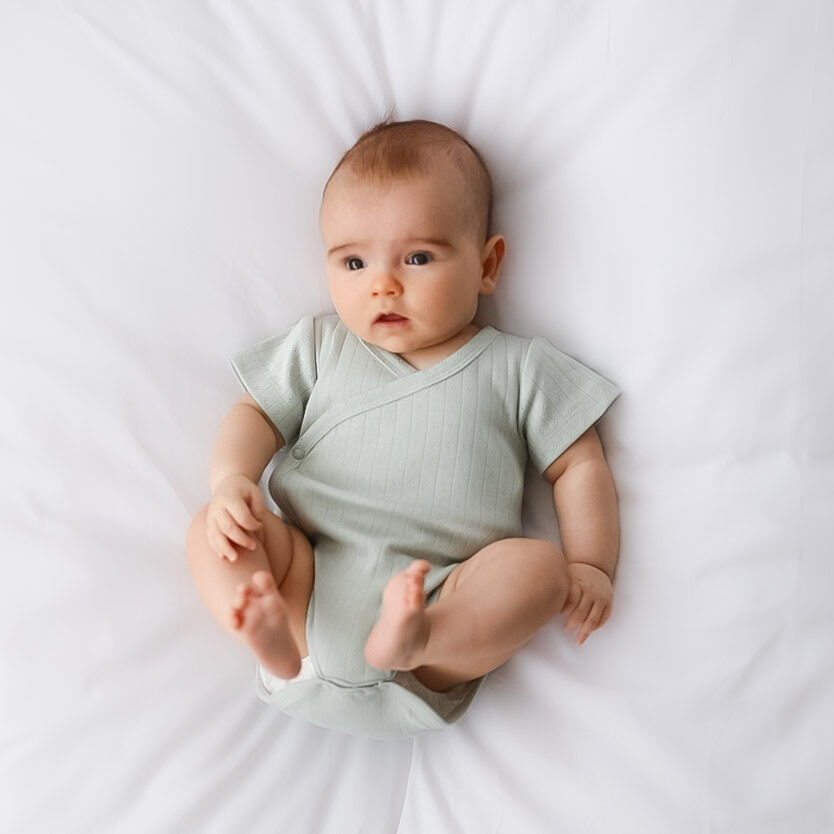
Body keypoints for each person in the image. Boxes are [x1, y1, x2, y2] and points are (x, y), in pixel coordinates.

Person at [186, 119, 621, 739]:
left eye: (418, 257)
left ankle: (418, 638)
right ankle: (270, 636)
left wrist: (591, 564)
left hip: (444, 598)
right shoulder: (318, 347)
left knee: (540, 571)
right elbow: (254, 413)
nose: (382, 283)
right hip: (310, 579)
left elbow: (578, 464)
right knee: (211, 530)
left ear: (487, 264)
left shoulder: (519, 367)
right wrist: (232, 481)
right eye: (354, 261)